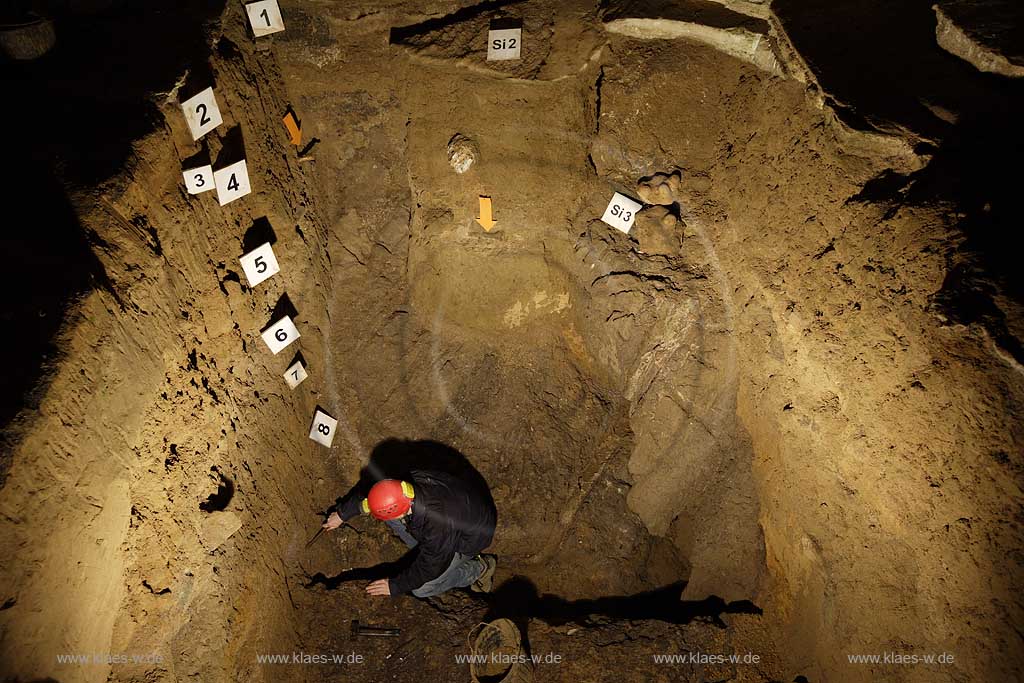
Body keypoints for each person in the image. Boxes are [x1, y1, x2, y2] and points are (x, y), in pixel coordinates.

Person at [323, 469, 497, 598]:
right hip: (461, 514)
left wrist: (395, 586)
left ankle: (480, 568)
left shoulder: (438, 526)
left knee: (421, 589)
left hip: (467, 541)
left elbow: (431, 567)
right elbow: (373, 498)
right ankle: (423, 545)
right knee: (389, 517)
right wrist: (342, 514)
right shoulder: (404, 485)